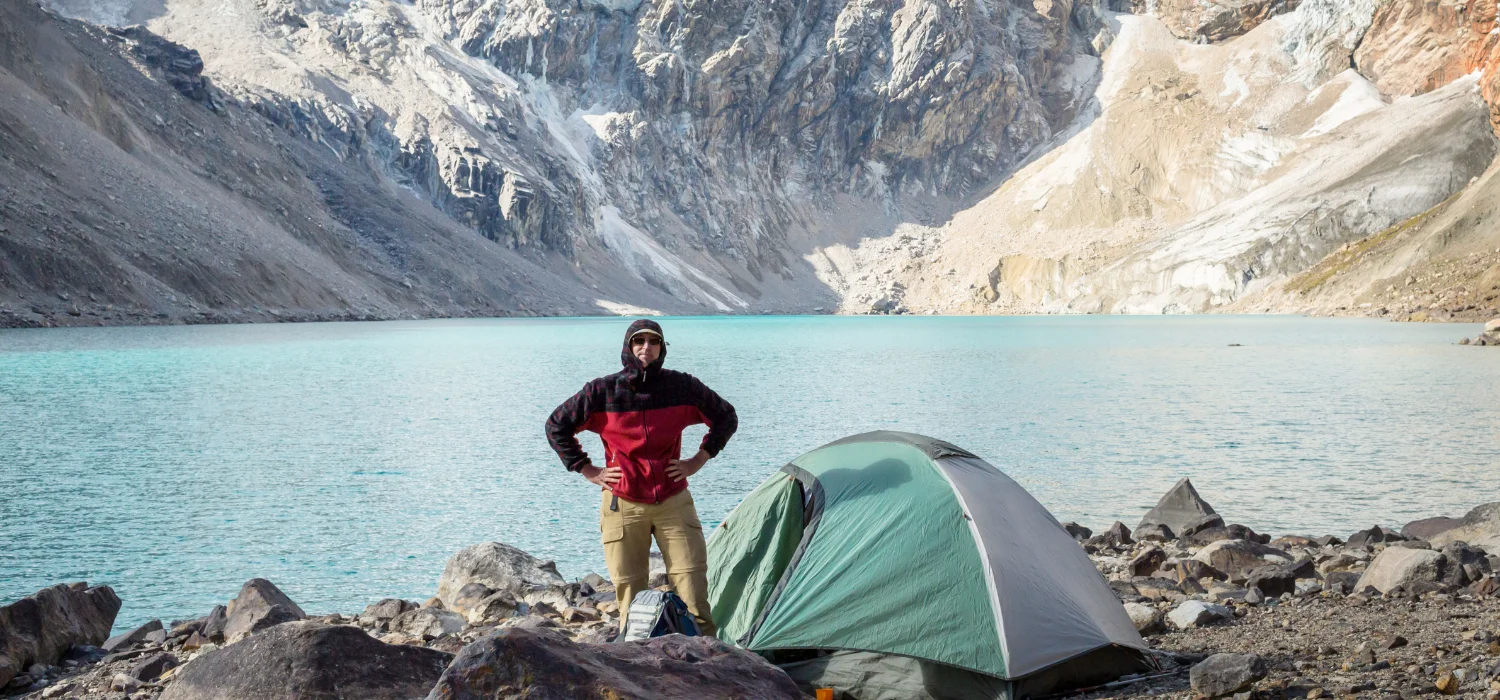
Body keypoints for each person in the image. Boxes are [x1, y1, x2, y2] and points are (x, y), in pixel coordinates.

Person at [545, 319, 737, 637]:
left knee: (693, 591)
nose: (646, 347)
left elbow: (725, 416)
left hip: (674, 500)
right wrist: (587, 469)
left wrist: (698, 460)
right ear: (628, 347)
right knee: (631, 598)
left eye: (654, 341)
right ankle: (636, 671)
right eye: (639, 341)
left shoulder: (682, 387)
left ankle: (705, 669)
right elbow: (556, 425)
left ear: (662, 349)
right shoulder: (602, 391)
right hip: (622, 503)